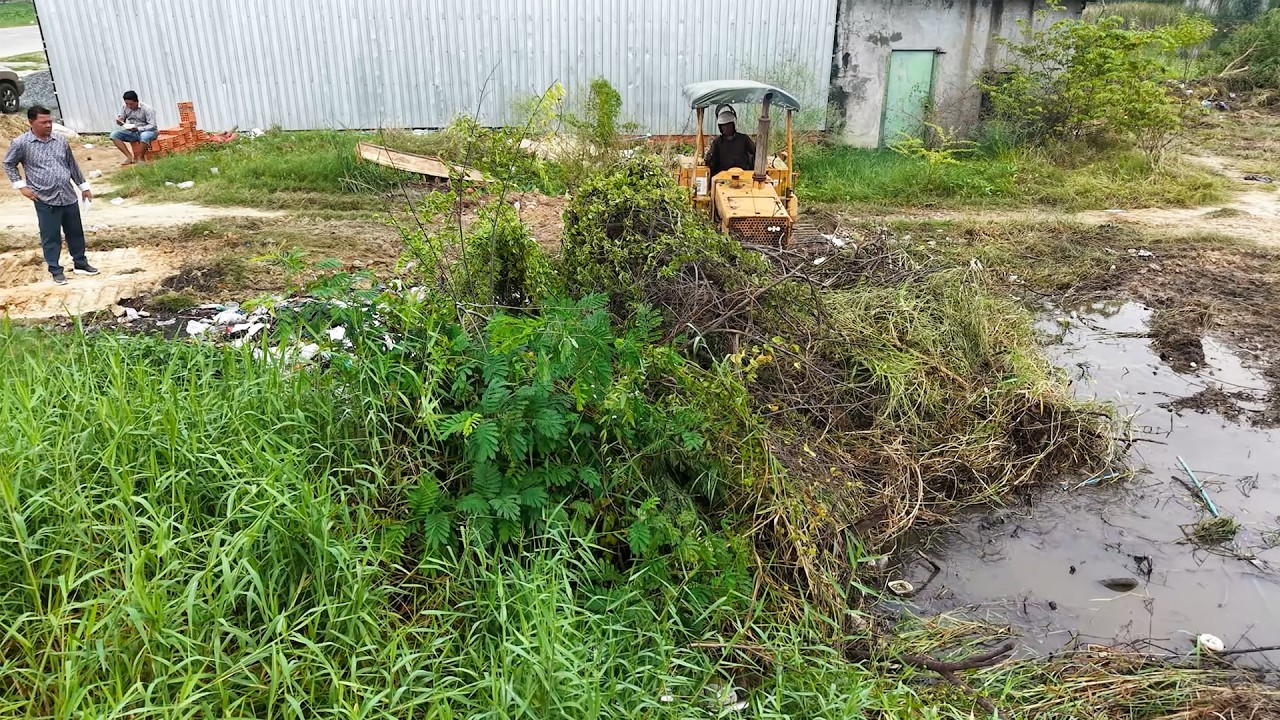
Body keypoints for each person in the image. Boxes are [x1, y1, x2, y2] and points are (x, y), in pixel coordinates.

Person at [3, 106, 97, 285]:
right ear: (31, 122)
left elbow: (71, 164)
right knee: (51, 235)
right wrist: (21, 186)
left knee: (75, 232)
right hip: (44, 197)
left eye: (50, 122)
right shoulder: (21, 143)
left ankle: (80, 264)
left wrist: (83, 186)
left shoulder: (60, 140)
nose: (48, 125)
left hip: (67, 195)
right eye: (43, 122)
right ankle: (55, 270)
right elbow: (8, 164)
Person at [704, 105, 755, 177]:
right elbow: (710, 160)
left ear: (733, 125)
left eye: (728, 125)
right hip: (723, 175)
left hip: (743, 174)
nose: (726, 128)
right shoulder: (717, 142)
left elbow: (755, 153)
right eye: (723, 126)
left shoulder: (744, 139)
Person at [110, 90, 158, 165]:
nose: (129, 106)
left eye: (131, 104)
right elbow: (122, 118)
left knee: (144, 135)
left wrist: (138, 129)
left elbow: (152, 125)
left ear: (137, 101)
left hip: (148, 131)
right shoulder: (124, 106)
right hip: (132, 131)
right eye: (127, 104)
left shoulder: (147, 109)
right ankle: (129, 157)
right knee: (114, 134)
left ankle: (141, 158)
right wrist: (120, 121)